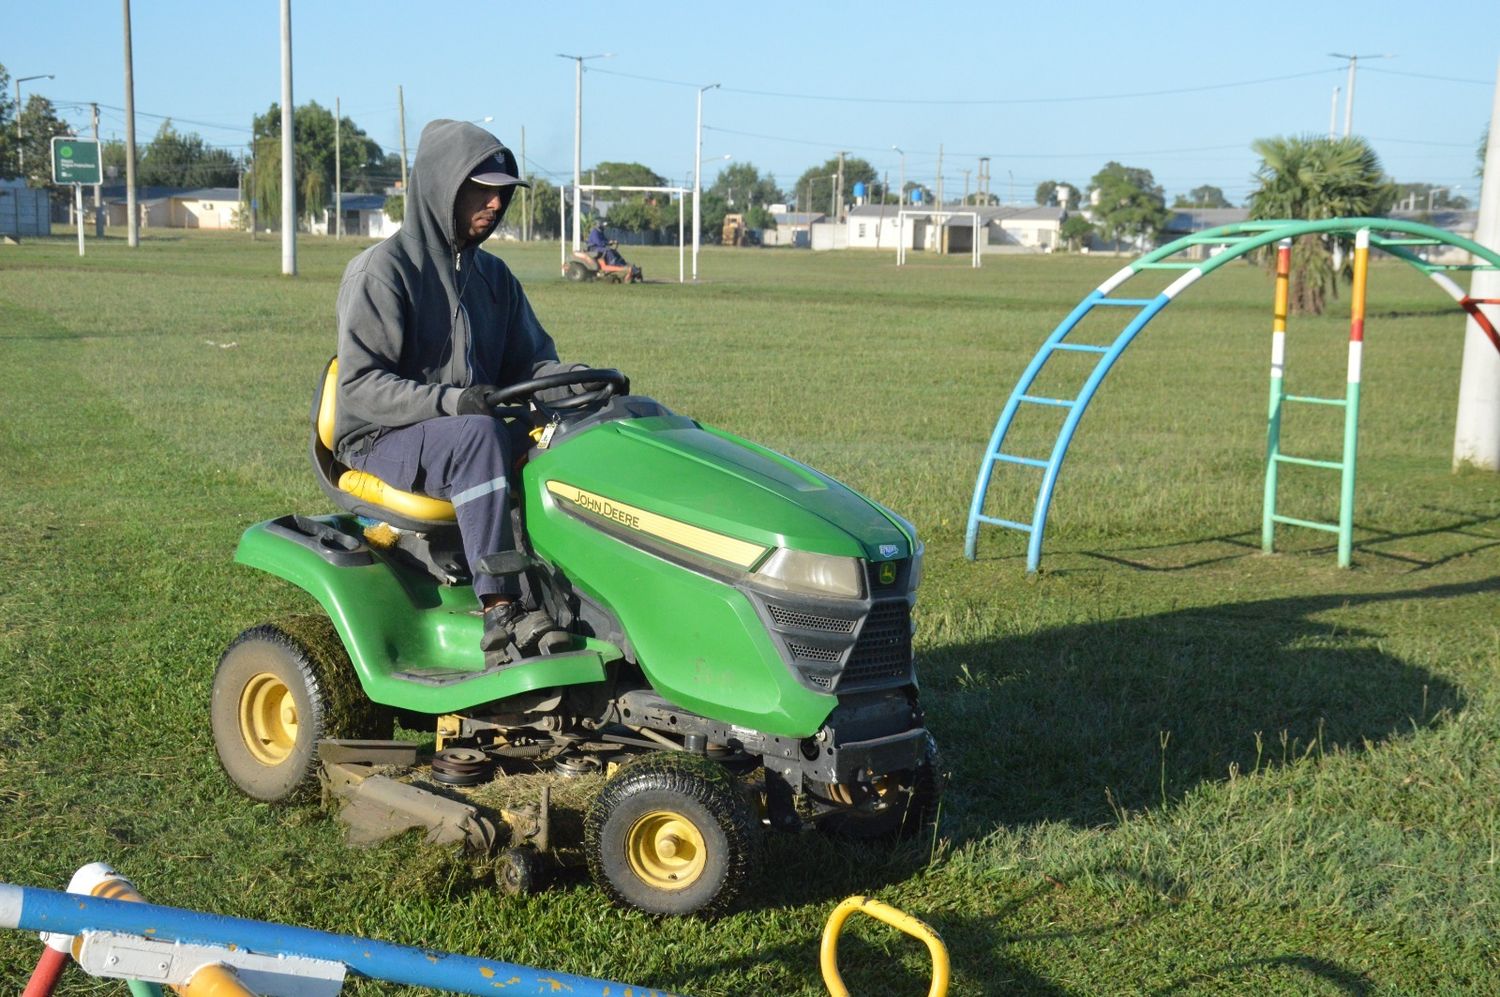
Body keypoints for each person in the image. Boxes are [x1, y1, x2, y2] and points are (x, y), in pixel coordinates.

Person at [332, 119, 580, 667]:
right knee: (479, 436)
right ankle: (501, 608)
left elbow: (534, 363)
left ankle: (575, 595)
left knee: (567, 437)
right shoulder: (382, 272)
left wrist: (578, 383)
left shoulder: (495, 278)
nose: (494, 204)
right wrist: (452, 402)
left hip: (466, 428)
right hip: (380, 437)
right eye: (481, 190)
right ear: (442, 187)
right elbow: (358, 387)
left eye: (501, 194)